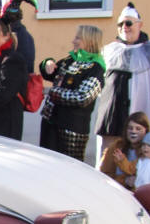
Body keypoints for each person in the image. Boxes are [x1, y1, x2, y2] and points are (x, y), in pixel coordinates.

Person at [94, 2, 150, 165]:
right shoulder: (111, 51)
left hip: (140, 117)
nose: (124, 27)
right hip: (113, 120)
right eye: (120, 24)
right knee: (108, 162)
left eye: (128, 23)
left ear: (139, 25)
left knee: (135, 162)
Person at [38, 25, 105, 161]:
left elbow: (82, 98)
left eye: (78, 38)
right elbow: (50, 73)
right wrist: (47, 63)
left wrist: (53, 92)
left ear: (90, 41)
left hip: (72, 129)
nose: (73, 41)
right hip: (51, 122)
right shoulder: (71, 60)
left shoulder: (96, 68)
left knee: (68, 169)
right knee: (46, 164)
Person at [99, 111, 150, 188]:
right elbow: (105, 175)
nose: (133, 131)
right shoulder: (116, 147)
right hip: (117, 190)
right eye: (130, 128)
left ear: (146, 131)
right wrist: (125, 181)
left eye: (138, 129)